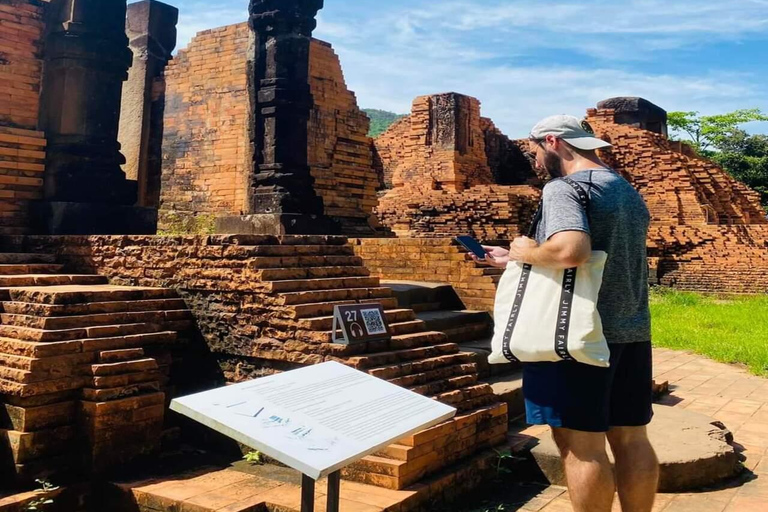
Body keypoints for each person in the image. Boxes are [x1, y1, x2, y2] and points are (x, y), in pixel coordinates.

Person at [474, 115, 659, 512]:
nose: (537, 162)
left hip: (576, 337)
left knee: (582, 446)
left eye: (536, 152)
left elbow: (570, 251)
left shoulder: (565, 187)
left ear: (553, 141)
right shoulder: (625, 190)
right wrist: (516, 261)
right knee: (632, 439)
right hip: (630, 331)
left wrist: (524, 250)